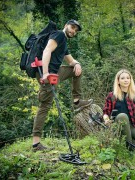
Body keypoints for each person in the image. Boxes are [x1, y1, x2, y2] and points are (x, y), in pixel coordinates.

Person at [32, 19, 93, 151]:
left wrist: (77, 64)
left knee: (76, 71)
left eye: (76, 30)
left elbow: (70, 60)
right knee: (45, 106)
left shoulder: (63, 41)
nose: (73, 31)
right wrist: (46, 73)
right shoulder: (59, 34)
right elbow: (47, 51)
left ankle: (77, 101)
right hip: (47, 73)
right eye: (72, 27)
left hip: (56, 72)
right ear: (66, 25)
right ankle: (36, 143)